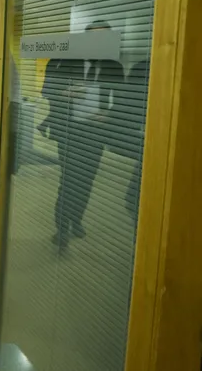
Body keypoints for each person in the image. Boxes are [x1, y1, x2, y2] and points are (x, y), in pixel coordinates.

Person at [37, 20, 125, 249]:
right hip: (70, 130)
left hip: (96, 131)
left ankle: (76, 219)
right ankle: (61, 228)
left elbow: (124, 99)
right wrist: (65, 93)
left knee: (87, 178)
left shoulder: (113, 66)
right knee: (69, 178)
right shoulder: (64, 61)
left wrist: (108, 114)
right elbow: (47, 90)